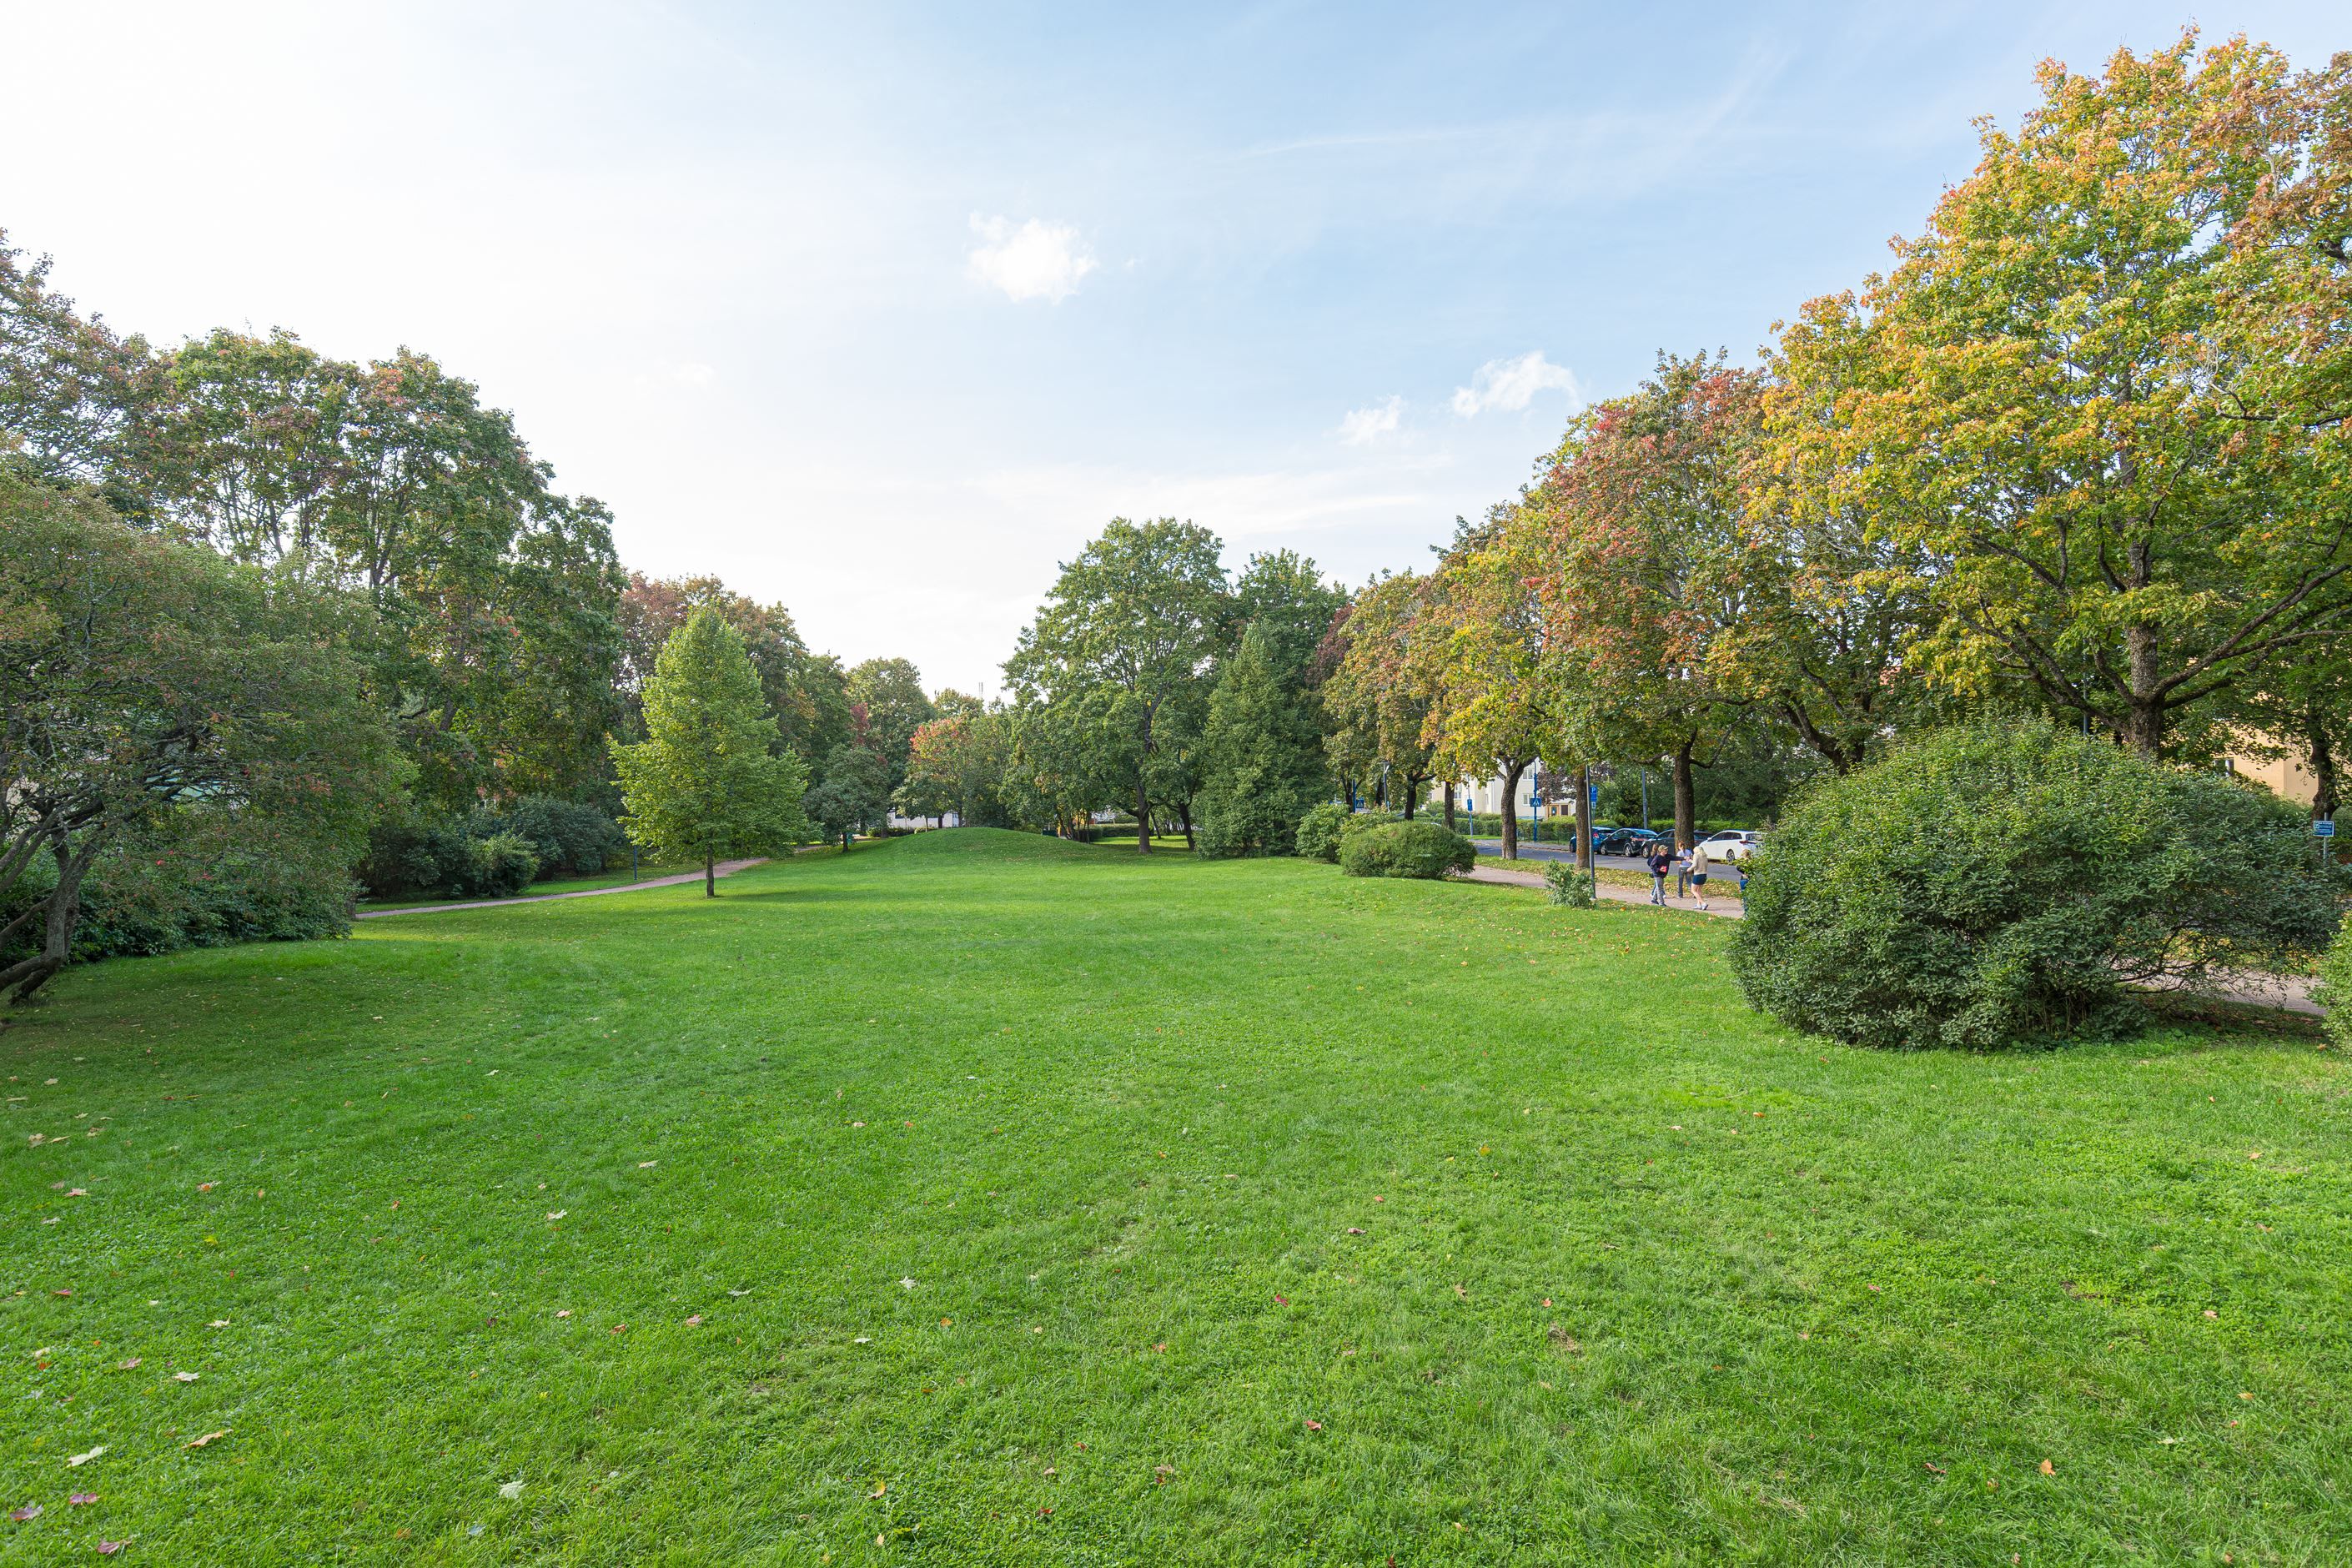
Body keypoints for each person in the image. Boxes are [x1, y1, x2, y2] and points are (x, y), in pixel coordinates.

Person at [1645, 839, 1672, 905]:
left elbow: (1675, 858)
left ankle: (1654, 899)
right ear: (1661, 850)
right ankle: (1661, 902)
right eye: (1665, 850)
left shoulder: (1663, 856)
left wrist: (1684, 858)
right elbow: (1651, 864)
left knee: (1658, 886)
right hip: (1657, 874)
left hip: (1661, 874)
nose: (1666, 851)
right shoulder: (1657, 856)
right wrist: (1658, 869)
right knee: (1660, 887)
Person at [1691, 840, 1711, 911]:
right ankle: (1698, 904)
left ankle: (1703, 903)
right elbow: (1698, 863)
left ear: (1696, 851)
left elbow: (1695, 865)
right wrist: (1690, 860)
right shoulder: (1704, 856)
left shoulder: (1696, 855)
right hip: (1704, 875)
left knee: (1693, 890)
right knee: (1699, 890)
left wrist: (1689, 869)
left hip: (1698, 875)